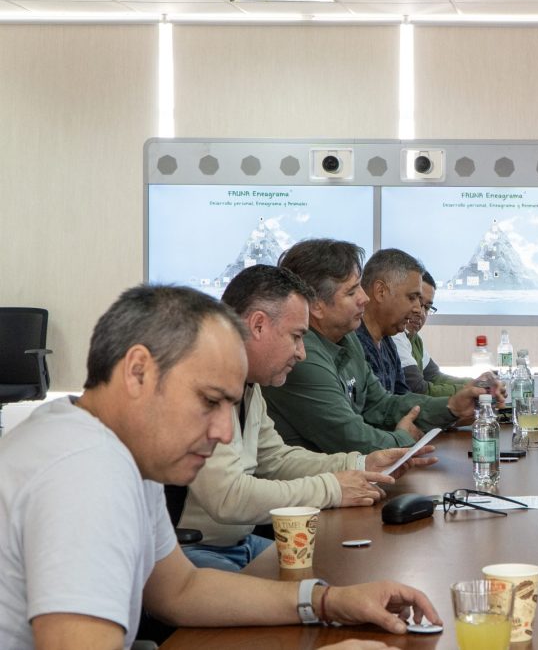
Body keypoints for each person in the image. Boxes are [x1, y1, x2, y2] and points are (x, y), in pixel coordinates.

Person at [0, 285, 440, 649]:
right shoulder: (86, 472)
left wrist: (331, 602)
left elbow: (180, 591)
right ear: (137, 372)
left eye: (228, 406)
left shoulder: (122, 452)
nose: (224, 434)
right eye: (210, 402)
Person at [178, 265, 438, 572]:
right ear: (258, 325)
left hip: (240, 543)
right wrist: (332, 488)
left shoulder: (250, 386)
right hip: (195, 553)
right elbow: (229, 497)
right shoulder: (202, 385)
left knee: (338, 571)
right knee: (317, 596)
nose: (302, 353)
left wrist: (359, 464)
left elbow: (275, 459)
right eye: (296, 337)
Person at [262, 238, 492, 454]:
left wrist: (451, 407)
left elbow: (382, 404)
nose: (365, 298)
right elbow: (351, 438)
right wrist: (403, 439)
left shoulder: (348, 337)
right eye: (352, 291)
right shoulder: (302, 355)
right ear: (317, 305)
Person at [356, 248, 424, 396]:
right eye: (412, 297)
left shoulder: (388, 343)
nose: (419, 309)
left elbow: (403, 400)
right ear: (381, 292)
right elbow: (379, 412)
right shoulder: (353, 345)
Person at [392, 270, 470, 397]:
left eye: (427, 307)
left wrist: (476, 384)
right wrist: (470, 391)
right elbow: (419, 389)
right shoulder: (394, 336)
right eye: (415, 300)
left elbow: (434, 377)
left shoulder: (415, 339)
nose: (421, 312)